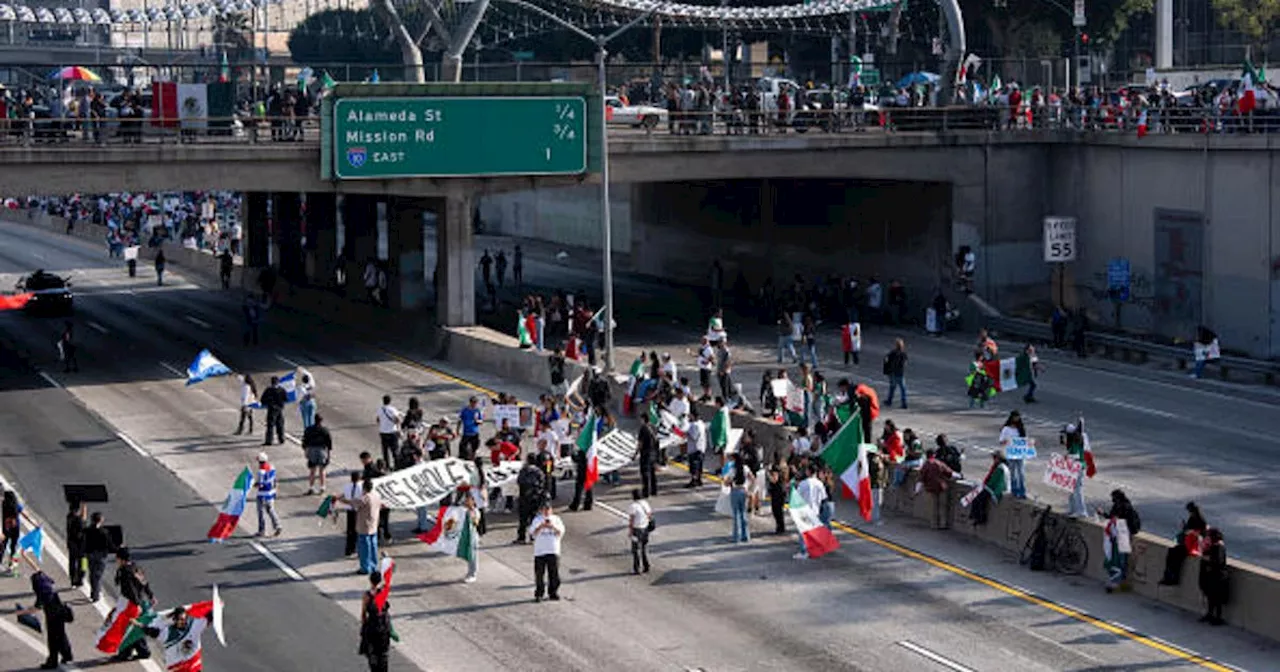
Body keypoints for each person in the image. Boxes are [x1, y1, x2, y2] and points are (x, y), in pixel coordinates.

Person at [14, 564, 74, 669]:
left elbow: (37, 608)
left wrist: (21, 613)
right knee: (61, 637)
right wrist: (24, 555)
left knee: (53, 641)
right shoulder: (48, 584)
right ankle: (67, 655)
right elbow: (37, 569)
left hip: (52, 618)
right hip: (60, 615)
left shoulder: (43, 593)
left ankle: (52, 662)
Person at [137, 604, 215, 672]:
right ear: (175, 620)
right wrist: (139, 624)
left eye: (185, 619)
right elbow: (152, 632)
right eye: (180, 620)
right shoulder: (168, 633)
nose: (183, 622)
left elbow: (209, 616)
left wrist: (217, 605)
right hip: (178, 666)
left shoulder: (194, 625)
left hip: (193, 662)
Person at [112, 548, 154, 662]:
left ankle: (126, 653)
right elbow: (144, 582)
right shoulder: (135, 567)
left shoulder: (125, 571)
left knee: (126, 627)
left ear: (121, 559)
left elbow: (131, 590)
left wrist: (136, 604)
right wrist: (150, 595)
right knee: (134, 627)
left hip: (130, 603)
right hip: (139, 601)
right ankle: (142, 651)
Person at [339, 476, 383, 575]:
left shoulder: (364, 499)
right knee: (373, 547)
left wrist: (340, 499)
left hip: (364, 527)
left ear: (364, 488)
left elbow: (351, 502)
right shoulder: (377, 496)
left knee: (364, 549)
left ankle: (365, 568)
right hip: (374, 525)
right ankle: (373, 566)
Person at [1099, 489, 1140, 592]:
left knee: (1120, 559)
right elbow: (1113, 517)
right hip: (1122, 534)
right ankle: (1118, 581)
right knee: (1119, 559)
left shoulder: (1123, 506)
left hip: (1123, 534)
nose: (1112, 500)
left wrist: (1105, 515)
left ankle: (1117, 582)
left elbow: (1115, 518)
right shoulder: (1123, 505)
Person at [1160, 501, 1208, 586]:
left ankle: (1173, 577)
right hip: (1188, 543)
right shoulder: (1194, 517)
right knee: (1172, 552)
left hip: (1192, 546)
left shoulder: (1200, 520)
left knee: (1176, 555)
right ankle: (1168, 576)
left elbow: (1201, 534)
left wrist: (1191, 531)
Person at [529, 501, 565, 602]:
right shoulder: (537, 520)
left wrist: (551, 526)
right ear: (541, 510)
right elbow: (532, 534)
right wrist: (541, 526)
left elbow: (560, 532)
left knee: (554, 573)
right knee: (539, 574)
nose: (546, 512)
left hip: (553, 550)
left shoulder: (556, 519)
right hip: (540, 551)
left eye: (548, 509)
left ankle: (553, 592)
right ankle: (539, 593)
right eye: (544, 510)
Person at [359, 572, 393, 671]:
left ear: (370, 580)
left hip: (372, 627)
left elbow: (363, 614)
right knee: (383, 654)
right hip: (383, 627)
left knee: (372, 654)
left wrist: (364, 627)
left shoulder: (367, 595)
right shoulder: (383, 592)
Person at [918, 449, 955, 530]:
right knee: (943, 506)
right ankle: (943, 524)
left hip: (931, 487)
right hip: (942, 486)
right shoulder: (939, 463)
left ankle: (934, 524)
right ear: (934, 455)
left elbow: (921, 477)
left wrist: (918, 489)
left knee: (934, 507)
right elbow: (949, 473)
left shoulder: (925, 465)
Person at [1199, 528, 1228, 626]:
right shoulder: (1213, 546)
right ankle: (1210, 614)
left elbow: (1218, 561)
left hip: (1218, 576)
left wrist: (1208, 558)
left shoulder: (1219, 547)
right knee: (1211, 597)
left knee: (1217, 598)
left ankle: (1217, 617)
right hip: (1212, 576)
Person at [515, 454, 546, 544]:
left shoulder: (524, 470)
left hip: (524, 497)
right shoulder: (539, 472)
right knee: (534, 518)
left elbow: (519, 481)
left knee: (523, 519)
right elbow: (542, 484)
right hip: (535, 498)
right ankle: (533, 536)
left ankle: (521, 537)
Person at [83, 511, 113, 602]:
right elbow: (110, 545)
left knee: (92, 573)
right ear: (101, 520)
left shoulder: (87, 530)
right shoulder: (104, 532)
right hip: (101, 556)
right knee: (98, 575)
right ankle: (96, 594)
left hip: (90, 555)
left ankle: (94, 591)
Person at [999, 411, 1029, 499]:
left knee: (1021, 473)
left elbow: (1024, 440)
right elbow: (1001, 441)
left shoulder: (1020, 429)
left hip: (1019, 454)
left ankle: (1022, 491)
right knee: (1013, 473)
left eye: (1018, 417)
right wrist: (1007, 441)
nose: (1017, 419)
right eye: (1015, 417)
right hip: (1010, 453)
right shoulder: (1006, 429)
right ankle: (1014, 490)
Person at [303, 414, 333, 495]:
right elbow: (329, 443)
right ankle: (322, 487)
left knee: (312, 470)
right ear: (321, 421)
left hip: (312, 449)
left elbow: (305, 441)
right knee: (322, 470)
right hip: (322, 450)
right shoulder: (325, 430)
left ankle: (311, 487)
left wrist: (306, 450)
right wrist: (329, 454)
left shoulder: (309, 429)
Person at [1, 489, 32, 569]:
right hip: (15, 529)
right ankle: (11, 564)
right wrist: (34, 524)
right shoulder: (17, 506)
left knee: (2, 546)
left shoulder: (4, 505)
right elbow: (26, 516)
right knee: (13, 547)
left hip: (6, 529)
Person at [254, 452, 282, 537]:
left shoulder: (261, 472)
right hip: (271, 493)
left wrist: (254, 484)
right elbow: (274, 480)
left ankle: (262, 530)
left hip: (262, 494)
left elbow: (261, 484)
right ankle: (277, 525)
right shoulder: (272, 468)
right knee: (271, 510)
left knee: (261, 512)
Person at [727, 455, 753, 543]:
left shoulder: (732, 469)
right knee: (743, 513)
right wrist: (748, 487)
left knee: (736, 514)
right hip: (744, 491)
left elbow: (727, 482)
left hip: (735, 491)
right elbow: (752, 478)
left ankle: (736, 537)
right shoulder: (745, 468)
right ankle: (745, 536)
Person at [627, 489, 653, 575]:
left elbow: (632, 520)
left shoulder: (633, 506)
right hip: (645, 529)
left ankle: (637, 568)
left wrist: (630, 531)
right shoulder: (645, 503)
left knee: (635, 550)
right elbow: (649, 514)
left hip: (637, 529)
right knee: (643, 548)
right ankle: (646, 566)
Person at [340, 471, 363, 557]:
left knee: (350, 530)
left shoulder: (347, 486)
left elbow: (344, 496)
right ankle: (355, 549)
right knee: (357, 530)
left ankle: (349, 549)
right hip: (357, 510)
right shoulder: (361, 487)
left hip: (349, 511)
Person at [766, 452, 791, 535]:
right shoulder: (785, 468)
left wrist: (768, 473)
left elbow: (774, 479)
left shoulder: (775, 468)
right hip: (782, 490)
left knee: (776, 510)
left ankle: (779, 527)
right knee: (780, 510)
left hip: (776, 491)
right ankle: (781, 526)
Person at [637, 410, 659, 498]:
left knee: (645, 473)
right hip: (653, 452)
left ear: (643, 419)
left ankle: (646, 491)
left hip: (645, 453)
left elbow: (640, 443)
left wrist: (635, 454)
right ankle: (654, 490)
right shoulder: (653, 427)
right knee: (652, 472)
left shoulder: (643, 428)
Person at [260, 376, 287, 446]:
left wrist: (268, 403)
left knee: (270, 425)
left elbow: (263, 400)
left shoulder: (268, 390)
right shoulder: (282, 390)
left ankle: (269, 440)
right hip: (279, 409)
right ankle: (281, 439)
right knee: (280, 425)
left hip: (271, 409)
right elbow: (285, 399)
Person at [376, 395, 401, 468]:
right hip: (392, 432)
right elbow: (398, 420)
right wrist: (399, 429)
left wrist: (383, 424)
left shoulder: (380, 409)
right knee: (395, 450)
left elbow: (377, 420)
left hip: (383, 432)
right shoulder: (392, 409)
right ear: (390, 401)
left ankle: (386, 466)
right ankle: (397, 465)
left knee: (385, 451)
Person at [66, 499, 86, 587]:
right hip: (80, 545)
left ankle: (72, 579)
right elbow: (83, 521)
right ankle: (81, 578)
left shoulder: (69, 517)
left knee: (72, 562)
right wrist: (84, 507)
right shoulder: (79, 520)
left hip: (71, 543)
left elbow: (82, 517)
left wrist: (83, 507)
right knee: (83, 562)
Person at [457, 396, 484, 460]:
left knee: (474, 448)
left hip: (474, 432)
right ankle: (463, 458)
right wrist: (457, 430)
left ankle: (472, 459)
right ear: (470, 402)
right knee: (462, 447)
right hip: (466, 432)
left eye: (475, 402)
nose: (474, 404)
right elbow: (460, 420)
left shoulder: (477, 411)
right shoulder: (465, 410)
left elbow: (481, 421)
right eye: (473, 402)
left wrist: (477, 421)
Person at [684, 407, 706, 488]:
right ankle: (699, 480)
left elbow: (693, 436)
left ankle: (694, 481)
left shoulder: (694, 425)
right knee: (699, 465)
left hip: (694, 449)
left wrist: (686, 434)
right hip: (701, 447)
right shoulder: (701, 423)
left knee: (694, 467)